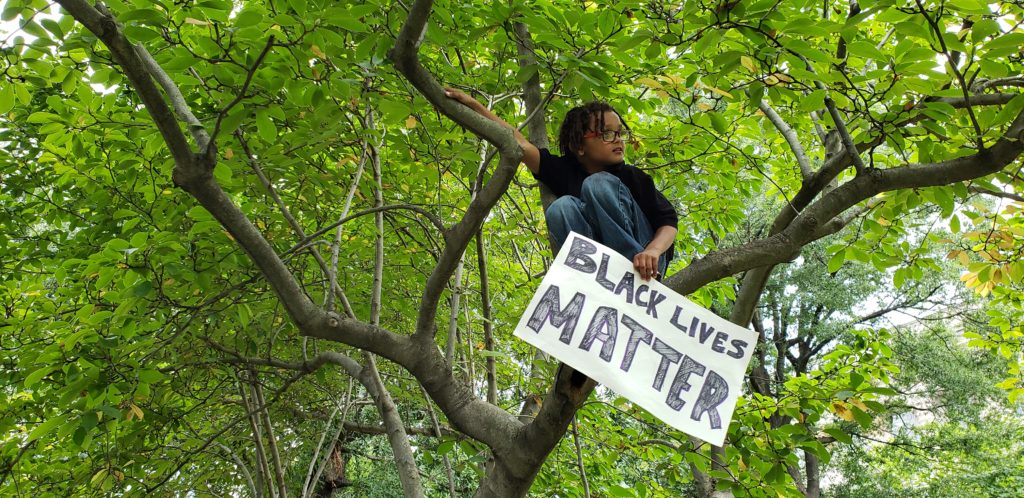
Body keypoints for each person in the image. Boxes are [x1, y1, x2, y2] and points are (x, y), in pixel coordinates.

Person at [444, 88, 678, 281]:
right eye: (606, 134)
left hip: (648, 262)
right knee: (561, 207)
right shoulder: (564, 171)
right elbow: (516, 141)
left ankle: (634, 277)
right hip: (605, 271)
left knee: (598, 184)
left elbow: (668, 222)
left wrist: (652, 251)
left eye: (620, 133)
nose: (617, 139)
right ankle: (595, 280)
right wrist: (472, 105)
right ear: (580, 146)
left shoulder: (632, 177)